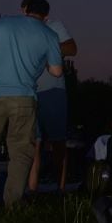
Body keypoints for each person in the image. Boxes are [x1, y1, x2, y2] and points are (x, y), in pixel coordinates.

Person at [0, 0, 62, 214]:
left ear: (25, 9)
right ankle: (13, 204)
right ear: (45, 17)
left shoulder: (2, 23)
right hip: (23, 98)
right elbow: (57, 72)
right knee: (21, 152)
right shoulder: (49, 34)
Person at [28, 19, 76, 193]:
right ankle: (32, 190)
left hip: (53, 90)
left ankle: (61, 189)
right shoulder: (22, 30)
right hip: (29, 93)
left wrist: (47, 48)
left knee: (58, 142)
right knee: (34, 143)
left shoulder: (54, 26)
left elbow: (72, 48)